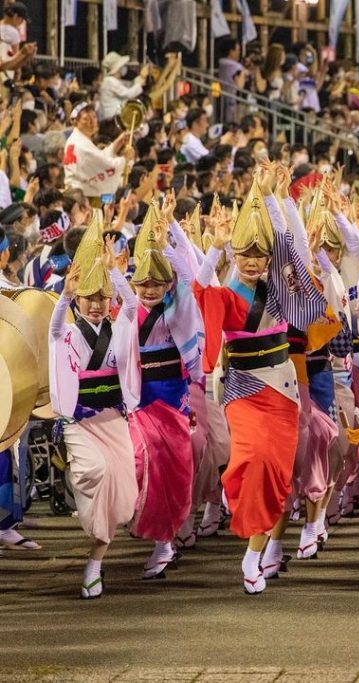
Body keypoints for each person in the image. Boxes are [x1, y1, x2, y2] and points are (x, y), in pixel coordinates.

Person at [193, 165, 327, 594]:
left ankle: (255, 553)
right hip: (244, 388)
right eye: (244, 254)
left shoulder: (282, 289)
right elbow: (198, 289)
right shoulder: (225, 291)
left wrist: (273, 199)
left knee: (275, 470)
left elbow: (295, 253)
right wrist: (213, 249)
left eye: (259, 255)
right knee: (252, 459)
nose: (252, 262)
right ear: (235, 254)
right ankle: (242, 513)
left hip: (283, 387)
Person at [49, 216, 141, 599]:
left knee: (124, 490)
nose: (98, 305)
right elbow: (54, 332)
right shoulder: (70, 330)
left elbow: (133, 306)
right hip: (81, 420)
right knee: (96, 471)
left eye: (103, 298)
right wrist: (66, 298)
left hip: (112, 418)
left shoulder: (118, 325)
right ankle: (78, 493)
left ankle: (95, 563)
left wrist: (116, 275)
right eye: (91, 298)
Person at [126, 198, 204, 579]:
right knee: (142, 460)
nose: (150, 289)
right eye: (143, 284)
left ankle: (165, 540)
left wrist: (171, 230)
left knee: (176, 467)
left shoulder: (177, 304)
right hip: (139, 396)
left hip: (173, 393)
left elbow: (190, 274)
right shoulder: (126, 306)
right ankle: (149, 526)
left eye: (158, 283)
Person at [63, 101, 135, 202]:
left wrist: (116, 145)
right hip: (81, 196)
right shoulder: (80, 144)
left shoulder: (76, 139)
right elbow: (106, 165)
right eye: (86, 119)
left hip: (80, 191)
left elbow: (98, 158)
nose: (92, 122)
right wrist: (125, 159)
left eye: (94, 117)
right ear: (75, 122)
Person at [98, 53, 149, 122]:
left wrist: (140, 78)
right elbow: (128, 94)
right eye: (122, 65)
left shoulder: (112, 80)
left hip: (115, 116)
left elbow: (129, 86)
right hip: (112, 119)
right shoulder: (110, 81)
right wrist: (142, 78)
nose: (124, 67)